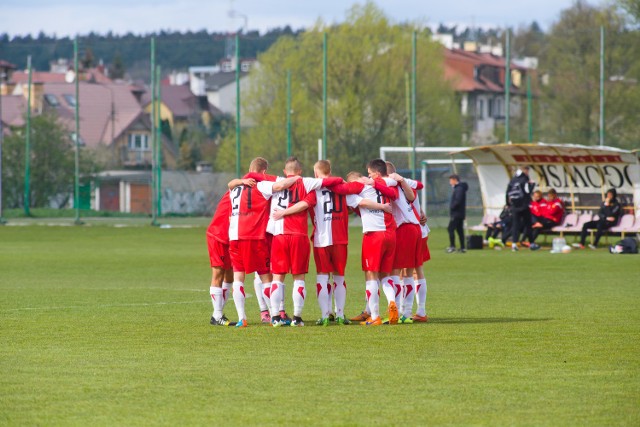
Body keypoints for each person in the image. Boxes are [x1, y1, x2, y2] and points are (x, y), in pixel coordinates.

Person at [272, 160, 394, 326]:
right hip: (340, 239)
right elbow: (359, 204)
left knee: (322, 276)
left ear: (316, 174)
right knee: (339, 277)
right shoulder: (343, 189)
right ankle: (340, 315)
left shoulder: (313, 189)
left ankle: (324, 315)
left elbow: (303, 204)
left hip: (321, 239)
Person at [266, 157, 343, 327]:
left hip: (279, 236)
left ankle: (275, 317)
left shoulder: (275, 182)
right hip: (298, 236)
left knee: (277, 278)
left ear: (285, 171)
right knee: (298, 278)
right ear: (300, 171)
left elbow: (257, 178)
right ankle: (297, 317)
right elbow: (329, 183)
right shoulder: (306, 183)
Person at [226, 160, 301, 328]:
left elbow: (230, 184)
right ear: (264, 171)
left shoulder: (235, 188)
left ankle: (242, 319)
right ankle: (275, 315)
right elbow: (281, 186)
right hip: (254, 236)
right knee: (266, 275)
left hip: (234, 237)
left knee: (238, 277)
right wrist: (297, 178)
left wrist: (240, 180)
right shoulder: (262, 185)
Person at [344, 159, 399, 326]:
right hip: (391, 233)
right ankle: (392, 302)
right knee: (385, 275)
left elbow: (361, 202)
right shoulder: (385, 184)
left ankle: (375, 316)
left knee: (370, 275)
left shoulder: (358, 190)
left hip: (374, 236)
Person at [505, 166, 538, 251]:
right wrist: (532, 185)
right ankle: (532, 243)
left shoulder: (513, 179)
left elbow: (507, 192)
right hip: (524, 206)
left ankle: (514, 244)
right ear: (525, 170)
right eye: (527, 170)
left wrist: (508, 204)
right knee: (528, 224)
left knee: (516, 225)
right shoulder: (524, 179)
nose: (528, 172)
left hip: (514, 206)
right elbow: (527, 192)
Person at [446, 174, 468, 253]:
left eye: (450, 180)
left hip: (456, 214)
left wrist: (452, 207)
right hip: (460, 214)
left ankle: (452, 246)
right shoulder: (460, 188)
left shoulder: (459, 189)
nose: (450, 182)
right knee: (459, 230)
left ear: (455, 180)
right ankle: (462, 247)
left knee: (450, 229)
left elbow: (458, 201)